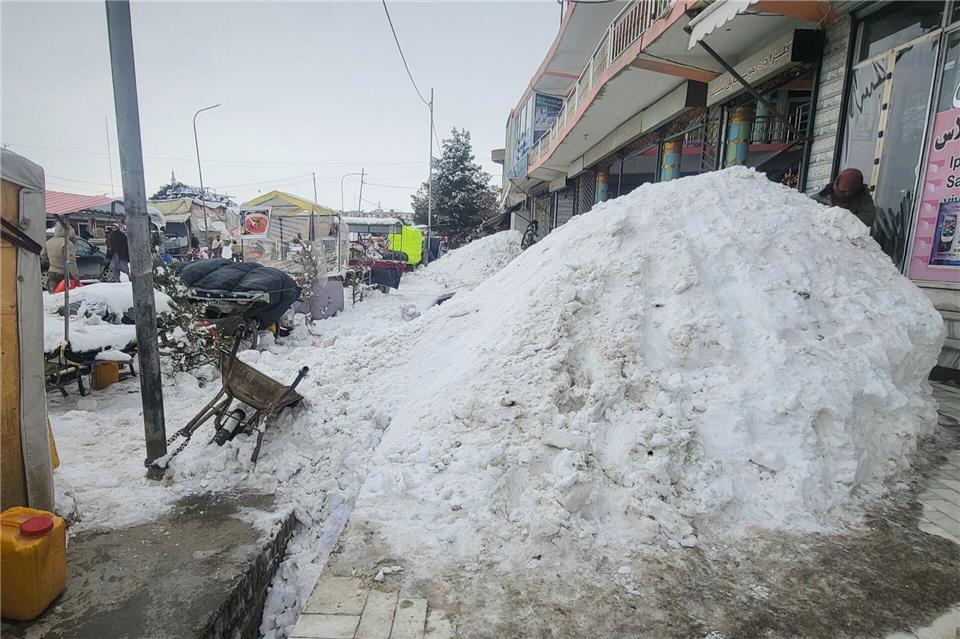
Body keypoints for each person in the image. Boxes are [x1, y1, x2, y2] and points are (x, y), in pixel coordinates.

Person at [41, 220, 79, 293]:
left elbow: (43, 255)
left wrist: (51, 263)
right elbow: (72, 262)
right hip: (64, 275)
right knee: (65, 295)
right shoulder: (67, 243)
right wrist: (76, 277)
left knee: (53, 295)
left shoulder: (48, 242)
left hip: (52, 272)